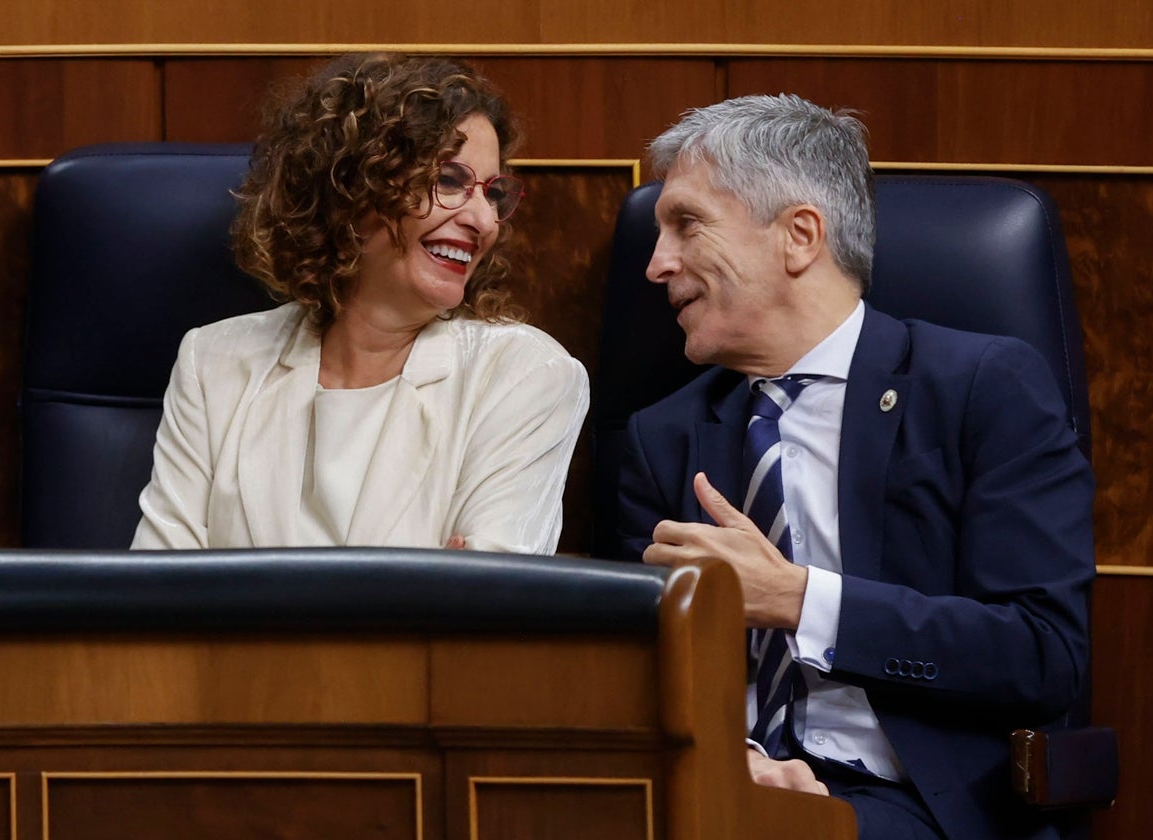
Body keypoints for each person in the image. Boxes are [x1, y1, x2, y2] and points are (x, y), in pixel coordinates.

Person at [617, 94, 1094, 840]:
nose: (656, 265)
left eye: (686, 225)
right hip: (714, 787)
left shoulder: (979, 389)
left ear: (800, 236)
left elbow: (1040, 654)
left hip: (913, 802)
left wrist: (800, 600)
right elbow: (636, 665)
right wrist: (735, 757)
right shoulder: (664, 437)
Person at [132, 53, 588, 552]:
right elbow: (157, 601)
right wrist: (426, 586)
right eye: (451, 181)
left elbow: (488, 612)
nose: (485, 220)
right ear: (353, 186)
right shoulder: (213, 363)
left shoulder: (525, 375)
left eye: (494, 192)